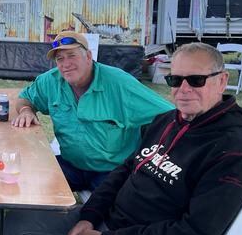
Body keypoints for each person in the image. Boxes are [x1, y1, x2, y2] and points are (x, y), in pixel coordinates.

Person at [4, 42, 242, 235]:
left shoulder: (234, 152)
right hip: (108, 221)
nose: (183, 90)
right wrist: (89, 216)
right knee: (16, 218)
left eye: (196, 80)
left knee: (20, 234)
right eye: (175, 80)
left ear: (221, 80)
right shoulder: (169, 122)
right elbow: (125, 172)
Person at [12, 31, 173, 191]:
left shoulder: (120, 84)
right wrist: (26, 110)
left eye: (71, 55)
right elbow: (24, 98)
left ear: (88, 56)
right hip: (71, 165)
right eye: (59, 58)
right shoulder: (51, 81)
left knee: (109, 213)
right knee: (28, 180)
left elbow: (172, 115)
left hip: (112, 172)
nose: (65, 63)